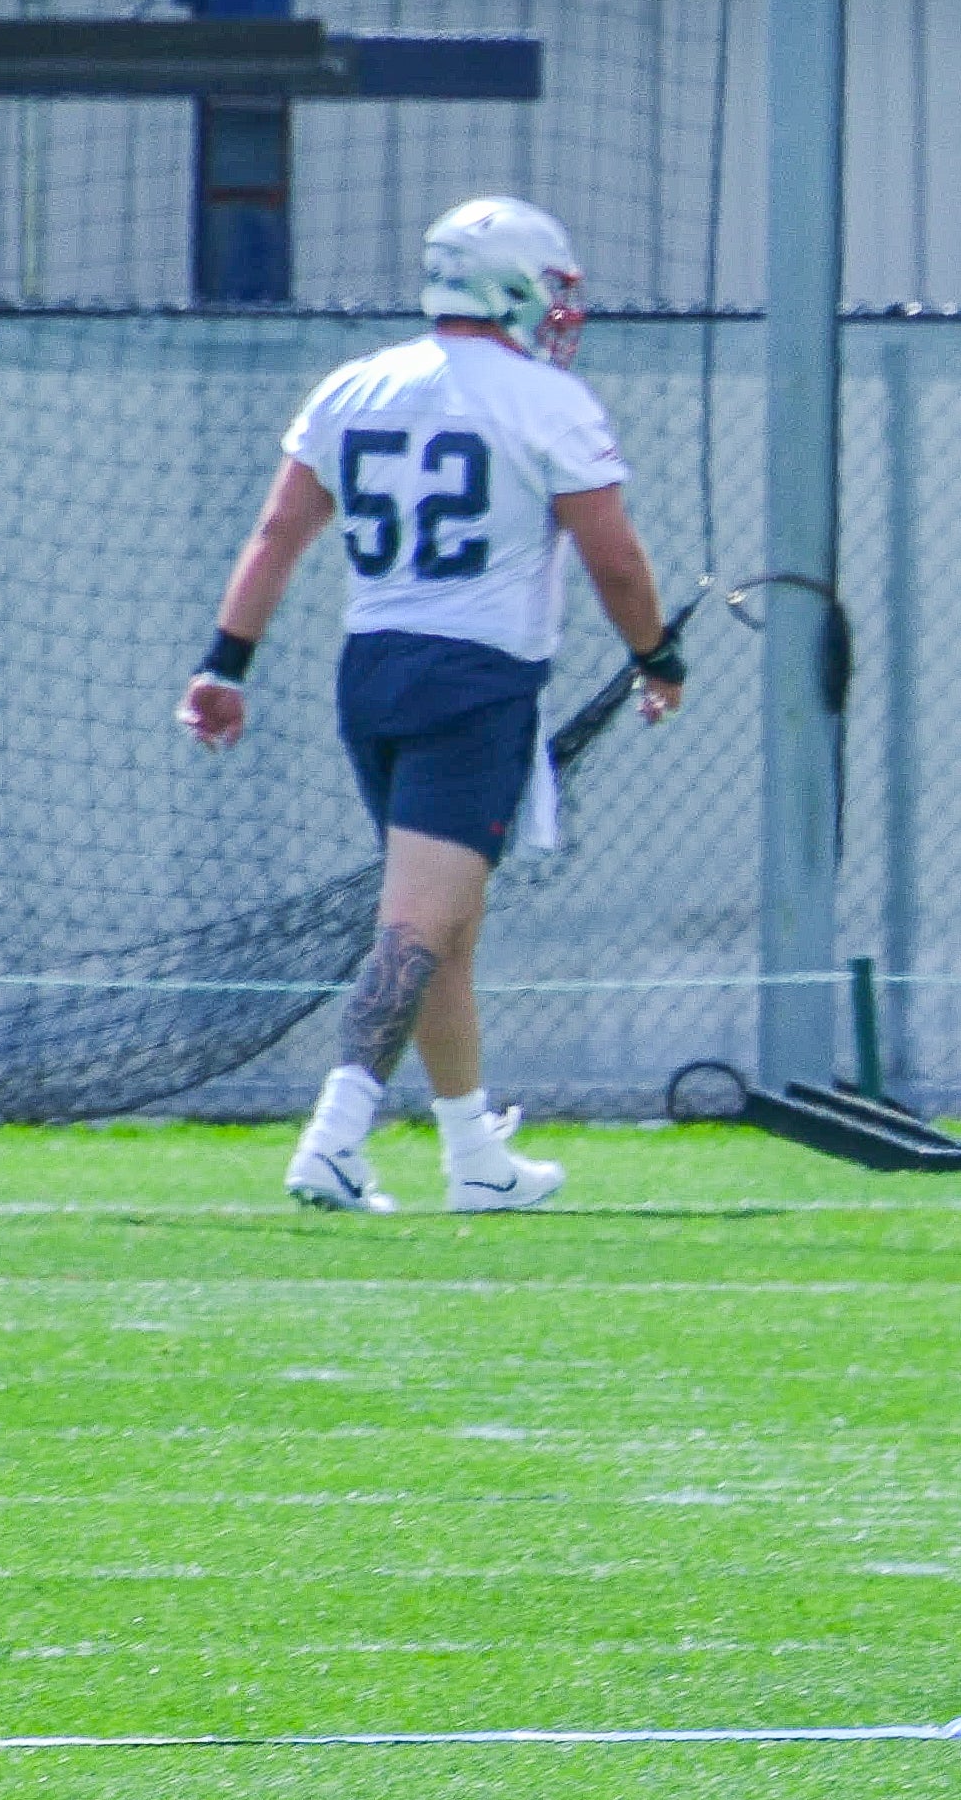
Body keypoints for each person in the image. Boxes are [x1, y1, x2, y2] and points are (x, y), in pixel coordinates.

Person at [180, 197, 684, 1216]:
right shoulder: (543, 402)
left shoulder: (355, 383)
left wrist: (224, 663)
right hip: (475, 679)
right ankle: (335, 1134)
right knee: (416, 921)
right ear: (512, 282)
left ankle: (474, 1155)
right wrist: (657, 655)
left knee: (445, 924)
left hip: (371, 670)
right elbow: (614, 558)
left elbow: (280, 530)